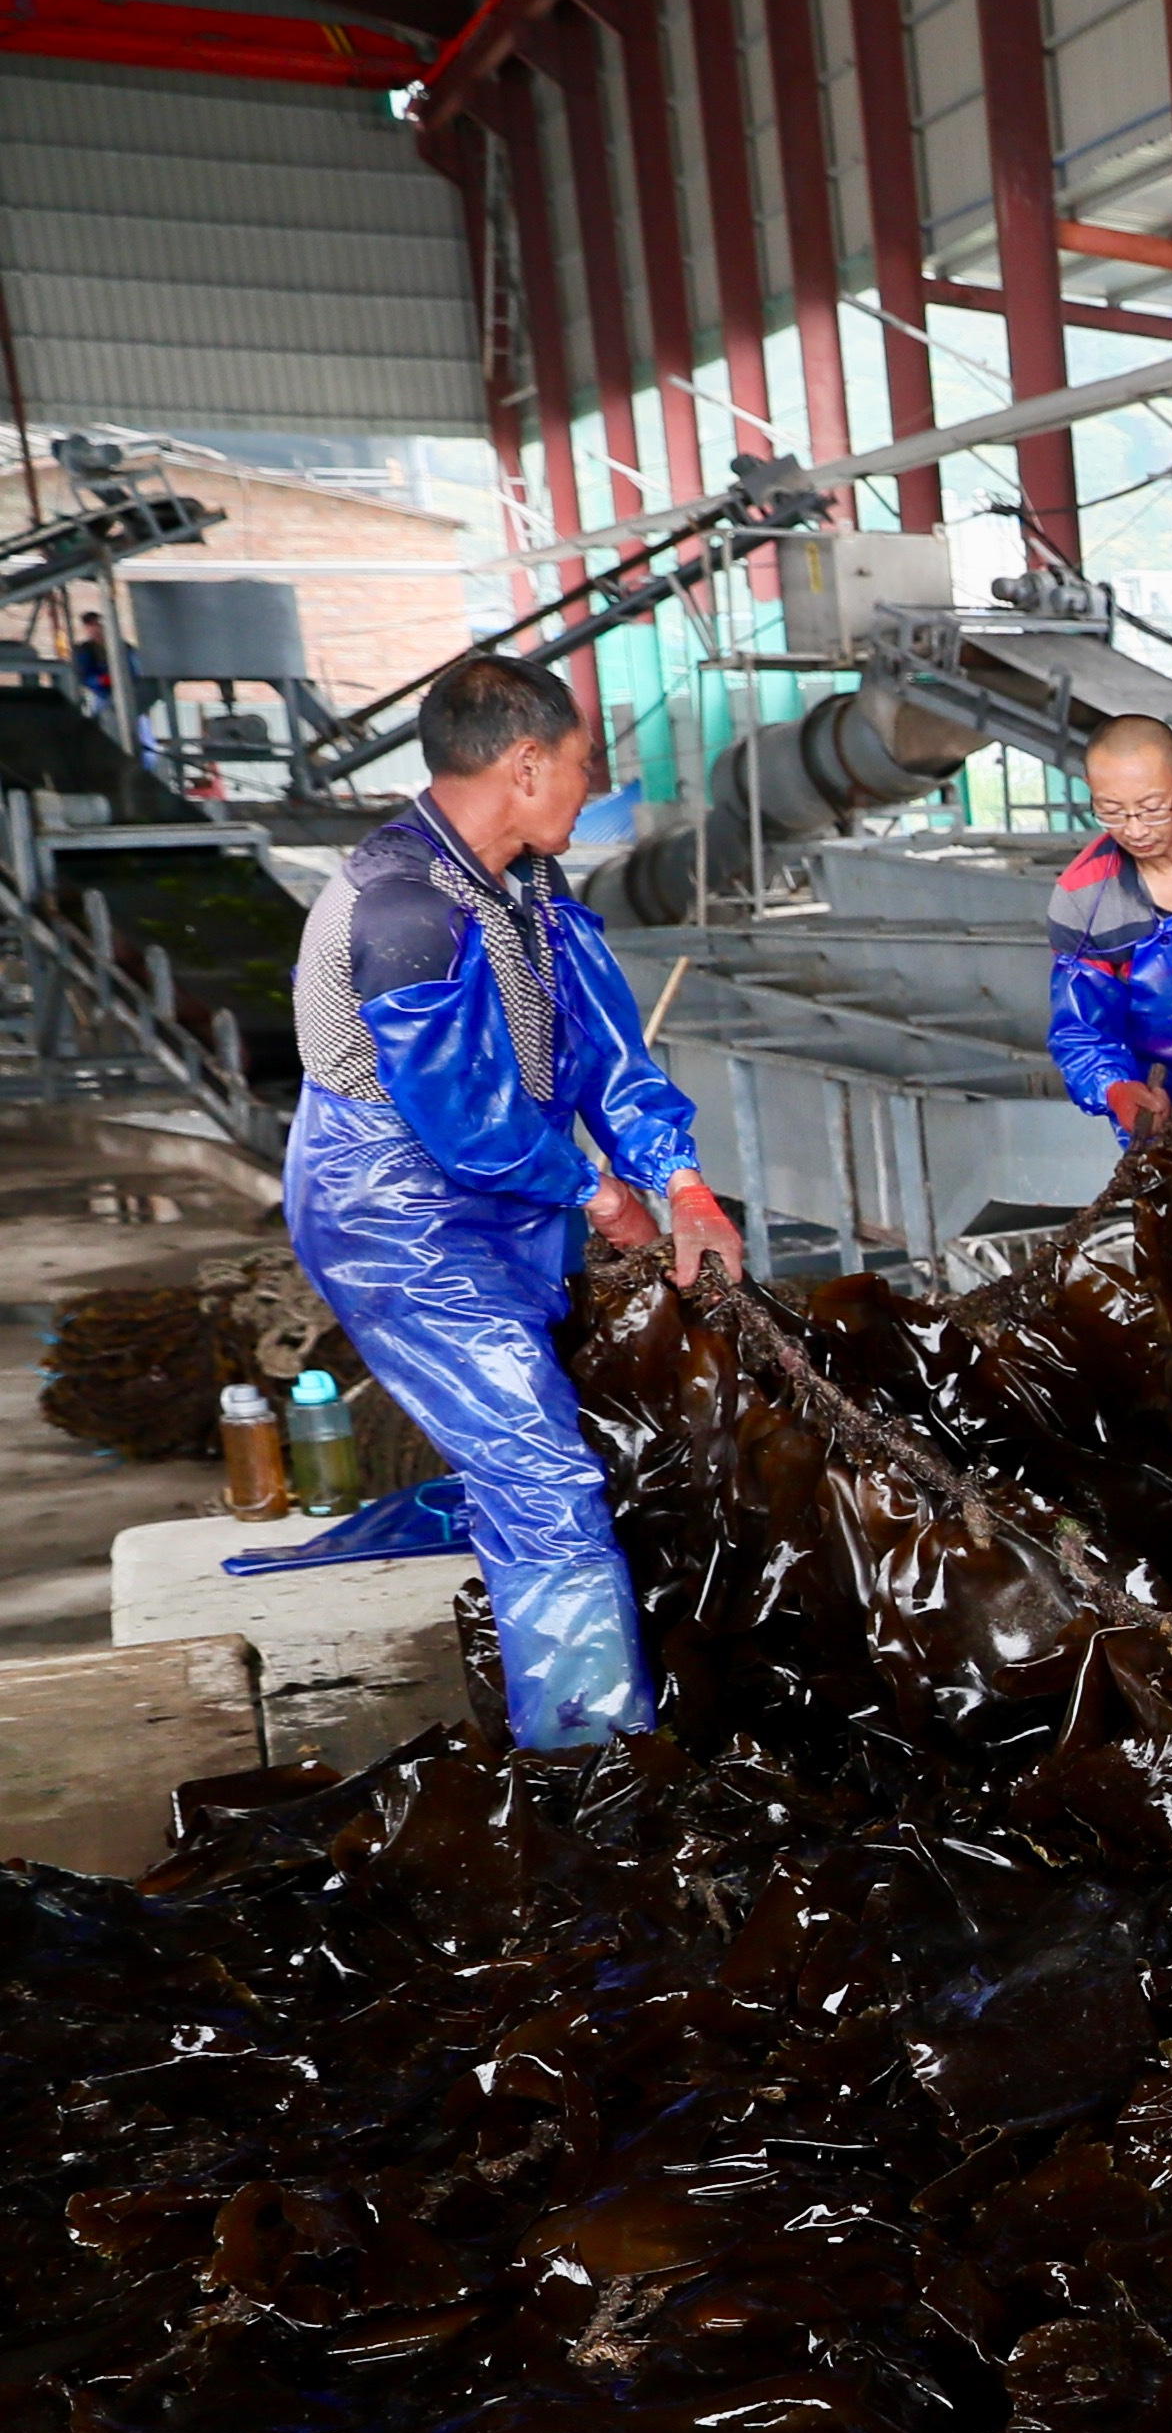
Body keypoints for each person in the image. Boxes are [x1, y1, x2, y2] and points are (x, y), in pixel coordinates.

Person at [281, 651, 739, 1750]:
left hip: (510, 1194)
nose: (595, 786)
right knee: (541, 1470)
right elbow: (463, 1122)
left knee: (537, 1442)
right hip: (392, 1209)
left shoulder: (533, 882)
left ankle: (576, 1690)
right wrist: (597, 1191)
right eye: (586, 766)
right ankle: (589, 1757)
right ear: (526, 764)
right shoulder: (401, 913)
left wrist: (678, 1180)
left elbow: (604, 1052)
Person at [1046, 712, 1172, 1143]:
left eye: (1152, 809)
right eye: (1112, 812)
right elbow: (1082, 1030)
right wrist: (1115, 1090)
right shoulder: (1082, 895)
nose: (1135, 830)